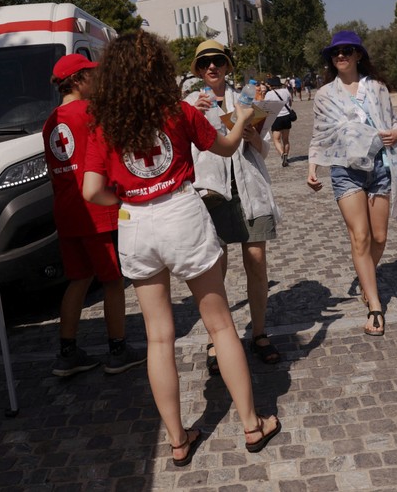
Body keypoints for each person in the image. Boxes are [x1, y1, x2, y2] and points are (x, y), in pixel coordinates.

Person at [82, 31, 280, 466]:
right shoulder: (179, 111)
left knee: (158, 337)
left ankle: (177, 439)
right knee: (221, 326)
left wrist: (129, 201)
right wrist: (243, 114)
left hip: (136, 222)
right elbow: (227, 147)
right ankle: (251, 424)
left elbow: (92, 190)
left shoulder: (102, 123)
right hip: (181, 213)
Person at [306, 31, 397, 337]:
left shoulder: (378, 88)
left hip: (381, 166)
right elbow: (320, 134)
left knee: (379, 237)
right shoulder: (325, 94)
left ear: (357, 55)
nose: (340, 56)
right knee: (360, 236)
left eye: (346, 51)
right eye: (335, 52)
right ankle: (375, 305)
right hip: (346, 170)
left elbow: (395, 121)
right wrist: (313, 167)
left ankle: (366, 276)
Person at [43, 54, 146, 377]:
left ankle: (67, 352)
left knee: (78, 279)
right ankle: (117, 349)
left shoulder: (50, 121)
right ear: (76, 80)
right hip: (97, 211)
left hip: (67, 210)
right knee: (113, 281)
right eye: (90, 74)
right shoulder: (91, 113)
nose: (96, 79)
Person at [184, 41, 282, 373]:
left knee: (256, 264)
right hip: (211, 195)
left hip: (250, 190)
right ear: (198, 70)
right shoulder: (187, 104)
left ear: (227, 66)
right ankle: (217, 339)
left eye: (218, 61)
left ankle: (259, 334)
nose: (212, 66)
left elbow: (264, 150)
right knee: (216, 272)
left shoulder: (245, 99)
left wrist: (254, 136)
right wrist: (194, 117)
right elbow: (182, 153)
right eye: (205, 63)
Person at [264, 77, 294, 167]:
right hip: (287, 116)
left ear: (271, 85)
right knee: (286, 139)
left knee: (276, 140)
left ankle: (282, 154)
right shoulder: (285, 91)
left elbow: (266, 106)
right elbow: (290, 102)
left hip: (276, 117)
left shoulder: (269, 94)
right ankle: (286, 155)